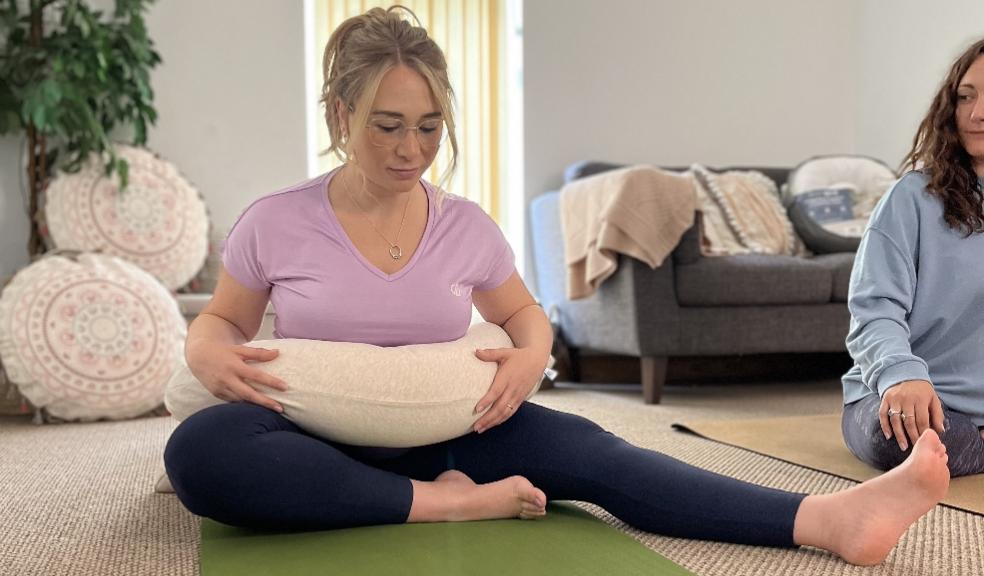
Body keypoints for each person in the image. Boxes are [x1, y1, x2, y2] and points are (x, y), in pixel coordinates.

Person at [164, 6, 951, 566]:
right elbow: (224, 322)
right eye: (387, 124)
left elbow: (522, 315)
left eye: (429, 125)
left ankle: (828, 520)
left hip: (452, 434)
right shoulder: (276, 221)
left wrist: (524, 355)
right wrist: (207, 355)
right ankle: (447, 503)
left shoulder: (465, 224)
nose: (412, 150)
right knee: (202, 453)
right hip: (318, 446)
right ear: (341, 114)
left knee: (600, 452)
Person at [841, 37, 984, 477]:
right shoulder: (911, 198)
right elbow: (874, 307)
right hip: (912, 398)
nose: (976, 114)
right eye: (965, 97)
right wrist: (900, 374)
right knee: (904, 441)